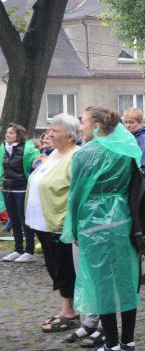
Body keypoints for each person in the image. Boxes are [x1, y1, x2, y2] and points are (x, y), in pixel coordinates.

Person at [61, 106, 142, 351]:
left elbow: (75, 195)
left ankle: (111, 344)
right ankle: (127, 341)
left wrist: (72, 228)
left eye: (84, 122)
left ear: (97, 126)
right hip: (122, 218)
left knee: (101, 282)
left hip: (93, 221)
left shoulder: (84, 154)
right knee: (126, 280)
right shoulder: (126, 149)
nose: (81, 126)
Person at [26, 114, 80, 333]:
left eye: (54, 131)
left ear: (69, 136)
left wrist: (67, 219)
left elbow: (75, 192)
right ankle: (66, 309)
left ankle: (70, 312)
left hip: (59, 223)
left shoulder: (75, 157)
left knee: (65, 268)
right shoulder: (54, 153)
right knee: (54, 267)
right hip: (42, 222)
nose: (49, 134)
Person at [1, 123, 40, 262]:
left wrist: (36, 161)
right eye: (7, 132)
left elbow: (34, 165)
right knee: (14, 220)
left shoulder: (27, 150)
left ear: (19, 135)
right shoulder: (4, 149)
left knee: (24, 220)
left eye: (11, 133)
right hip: (7, 189)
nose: (7, 135)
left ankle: (29, 251)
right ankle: (18, 250)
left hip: (21, 189)